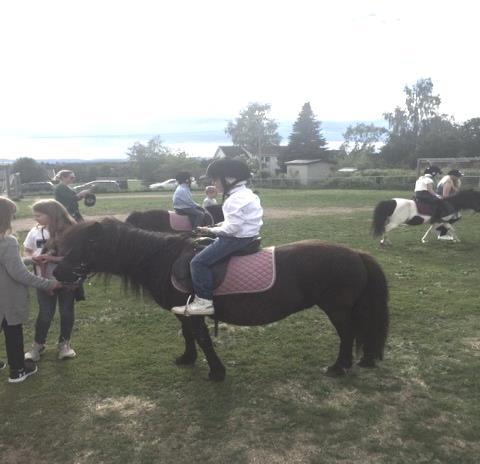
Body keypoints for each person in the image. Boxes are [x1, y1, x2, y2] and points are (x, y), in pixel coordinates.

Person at [172, 159, 263, 316]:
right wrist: (212, 227)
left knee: (198, 262)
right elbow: (233, 223)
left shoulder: (233, 200)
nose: (213, 184)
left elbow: (232, 228)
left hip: (236, 239)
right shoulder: (247, 194)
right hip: (248, 236)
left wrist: (211, 231)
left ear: (229, 179)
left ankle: (204, 302)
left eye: (215, 179)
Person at [0, 197, 60, 383]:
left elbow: (7, 263)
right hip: (7, 298)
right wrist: (49, 283)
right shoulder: (7, 241)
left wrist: (28, 260)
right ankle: (17, 370)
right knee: (12, 331)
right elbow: (20, 275)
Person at [23, 200, 78, 362]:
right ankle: (38, 345)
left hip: (67, 281)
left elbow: (74, 258)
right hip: (43, 280)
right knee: (45, 314)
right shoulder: (34, 231)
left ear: (51, 214)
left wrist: (52, 258)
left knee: (67, 312)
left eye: (38, 215)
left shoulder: (70, 231)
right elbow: (27, 249)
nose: (35, 219)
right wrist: (33, 258)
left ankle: (64, 344)